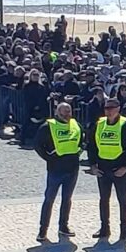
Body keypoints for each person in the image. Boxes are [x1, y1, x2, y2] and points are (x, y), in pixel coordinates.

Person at [87, 97, 126, 240]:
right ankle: (104, 228)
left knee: (122, 199)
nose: (108, 111)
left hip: (119, 168)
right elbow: (91, 145)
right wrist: (92, 165)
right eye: (106, 109)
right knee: (103, 199)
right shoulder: (99, 124)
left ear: (118, 109)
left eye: (111, 108)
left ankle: (123, 230)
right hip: (102, 168)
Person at [34, 102, 82, 242]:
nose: (67, 115)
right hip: (55, 169)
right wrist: (49, 157)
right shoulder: (47, 126)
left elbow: (81, 141)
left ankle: (63, 226)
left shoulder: (76, 125)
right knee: (49, 199)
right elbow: (37, 145)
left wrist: (78, 153)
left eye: (69, 111)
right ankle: (43, 231)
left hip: (72, 169)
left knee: (67, 199)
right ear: (57, 112)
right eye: (64, 112)